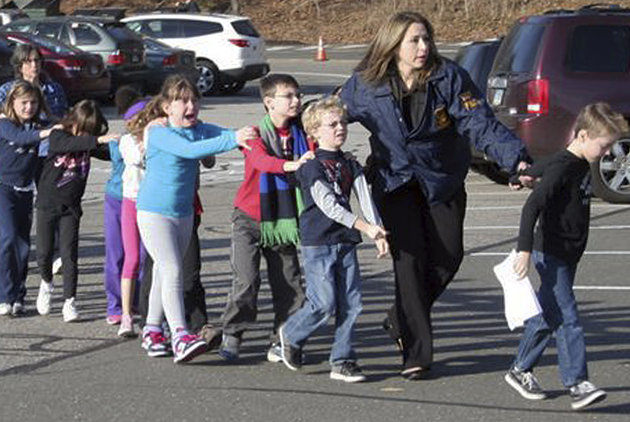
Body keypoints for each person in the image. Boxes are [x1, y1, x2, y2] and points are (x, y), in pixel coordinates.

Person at [338, 11, 530, 379]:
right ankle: (416, 353)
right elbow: (328, 116)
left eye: (426, 38)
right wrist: (295, 138)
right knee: (408, 264)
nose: (423, 47)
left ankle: (400, 318)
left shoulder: (449, 78)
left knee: (448, 256)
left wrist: (516, 160)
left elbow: (482, 124)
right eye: (414, 40)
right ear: (394, 45)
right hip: (393, 182)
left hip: (441, 179)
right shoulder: (365, 84)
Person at [505, 102, 627, 411]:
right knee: (568, 318)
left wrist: (522, 176)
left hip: (568, 253)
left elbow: (543, 166)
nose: (607, 152)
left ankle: (520, 370)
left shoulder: (575, 161)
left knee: (548, 315)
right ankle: (577, 383)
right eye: (604, 145)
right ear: (584, 135)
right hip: (551, 253)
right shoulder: (565, 165)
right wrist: (524, 250)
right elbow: (532, 207)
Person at [137, 75, 255, 363]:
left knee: (165, 274)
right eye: (182, 101)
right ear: (166, 107)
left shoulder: (198, 129)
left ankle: (152, 330)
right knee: (173, 269)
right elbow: (191, 150)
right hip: (154, 212)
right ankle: (180, 336)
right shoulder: (160, 133)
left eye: (194, 100)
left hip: (183, 211)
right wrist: (233, 138)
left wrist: (248, 134)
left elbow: (220, 134)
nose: (191, 106)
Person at [278, 96, 389, 383]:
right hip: (319, 241)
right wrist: (365, 227)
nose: (340, 128)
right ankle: (290, 334)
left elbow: (364, 196)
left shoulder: (350, 162)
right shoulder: (311, 166)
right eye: (332, 124)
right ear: (314, 131)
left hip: (345, 240)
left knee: (351, 303)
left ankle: (343, 360)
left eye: (342, 122)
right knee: (324, 303)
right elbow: (328, 204)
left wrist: (378, 230)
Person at [218, 74, 313, 362]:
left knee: (289, 282)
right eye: (288, 96)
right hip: (249, 217)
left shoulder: (304, 133)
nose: (296, 101)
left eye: (297, 95)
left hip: (283, 220)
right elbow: (260, 162)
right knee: (246, 282)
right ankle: (233, 332)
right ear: (269, 102)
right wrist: (292, 164)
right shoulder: (254, 135)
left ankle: (283, 337)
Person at [35, 100, 116, 322]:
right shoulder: (58, 135)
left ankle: (69, 301)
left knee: (69, 255)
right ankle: (46, 282)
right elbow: (69, 145)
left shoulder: (88, 143)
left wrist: (125, 145)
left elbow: (108, 152)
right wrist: (96, 140)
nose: (88, 135)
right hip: (47, 204)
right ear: (75, 121)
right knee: (43, 253)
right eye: (85, 129)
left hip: (70, 208)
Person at [0, 81, 58, 316]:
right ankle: (4, 295)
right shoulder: (4, 123)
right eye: (24, 103)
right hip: (3, 187)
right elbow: (21, 139)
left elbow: (63, 127)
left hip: (24, 190)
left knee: (23, 246)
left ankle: (18, 295)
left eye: (33, 102)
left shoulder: (39, 124)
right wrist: (47, 132)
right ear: (12, 103)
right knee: (8, 238)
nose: (29, 107)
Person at [102, 87, 148, 326]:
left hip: (144, 201)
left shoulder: (154, 137)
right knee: (117, 254)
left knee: (140, 254)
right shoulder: (123, 142)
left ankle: (138, 300)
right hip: (118, 199)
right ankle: (116, 305)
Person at [116, 96, 161, 336]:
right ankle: (126, 315)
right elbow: (136, 158)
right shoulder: (126, 141)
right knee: (132, 258)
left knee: (152, 258)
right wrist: (148, 143)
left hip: (153, 202)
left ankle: (153, 313)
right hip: (132, 201)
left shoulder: (159, 137)